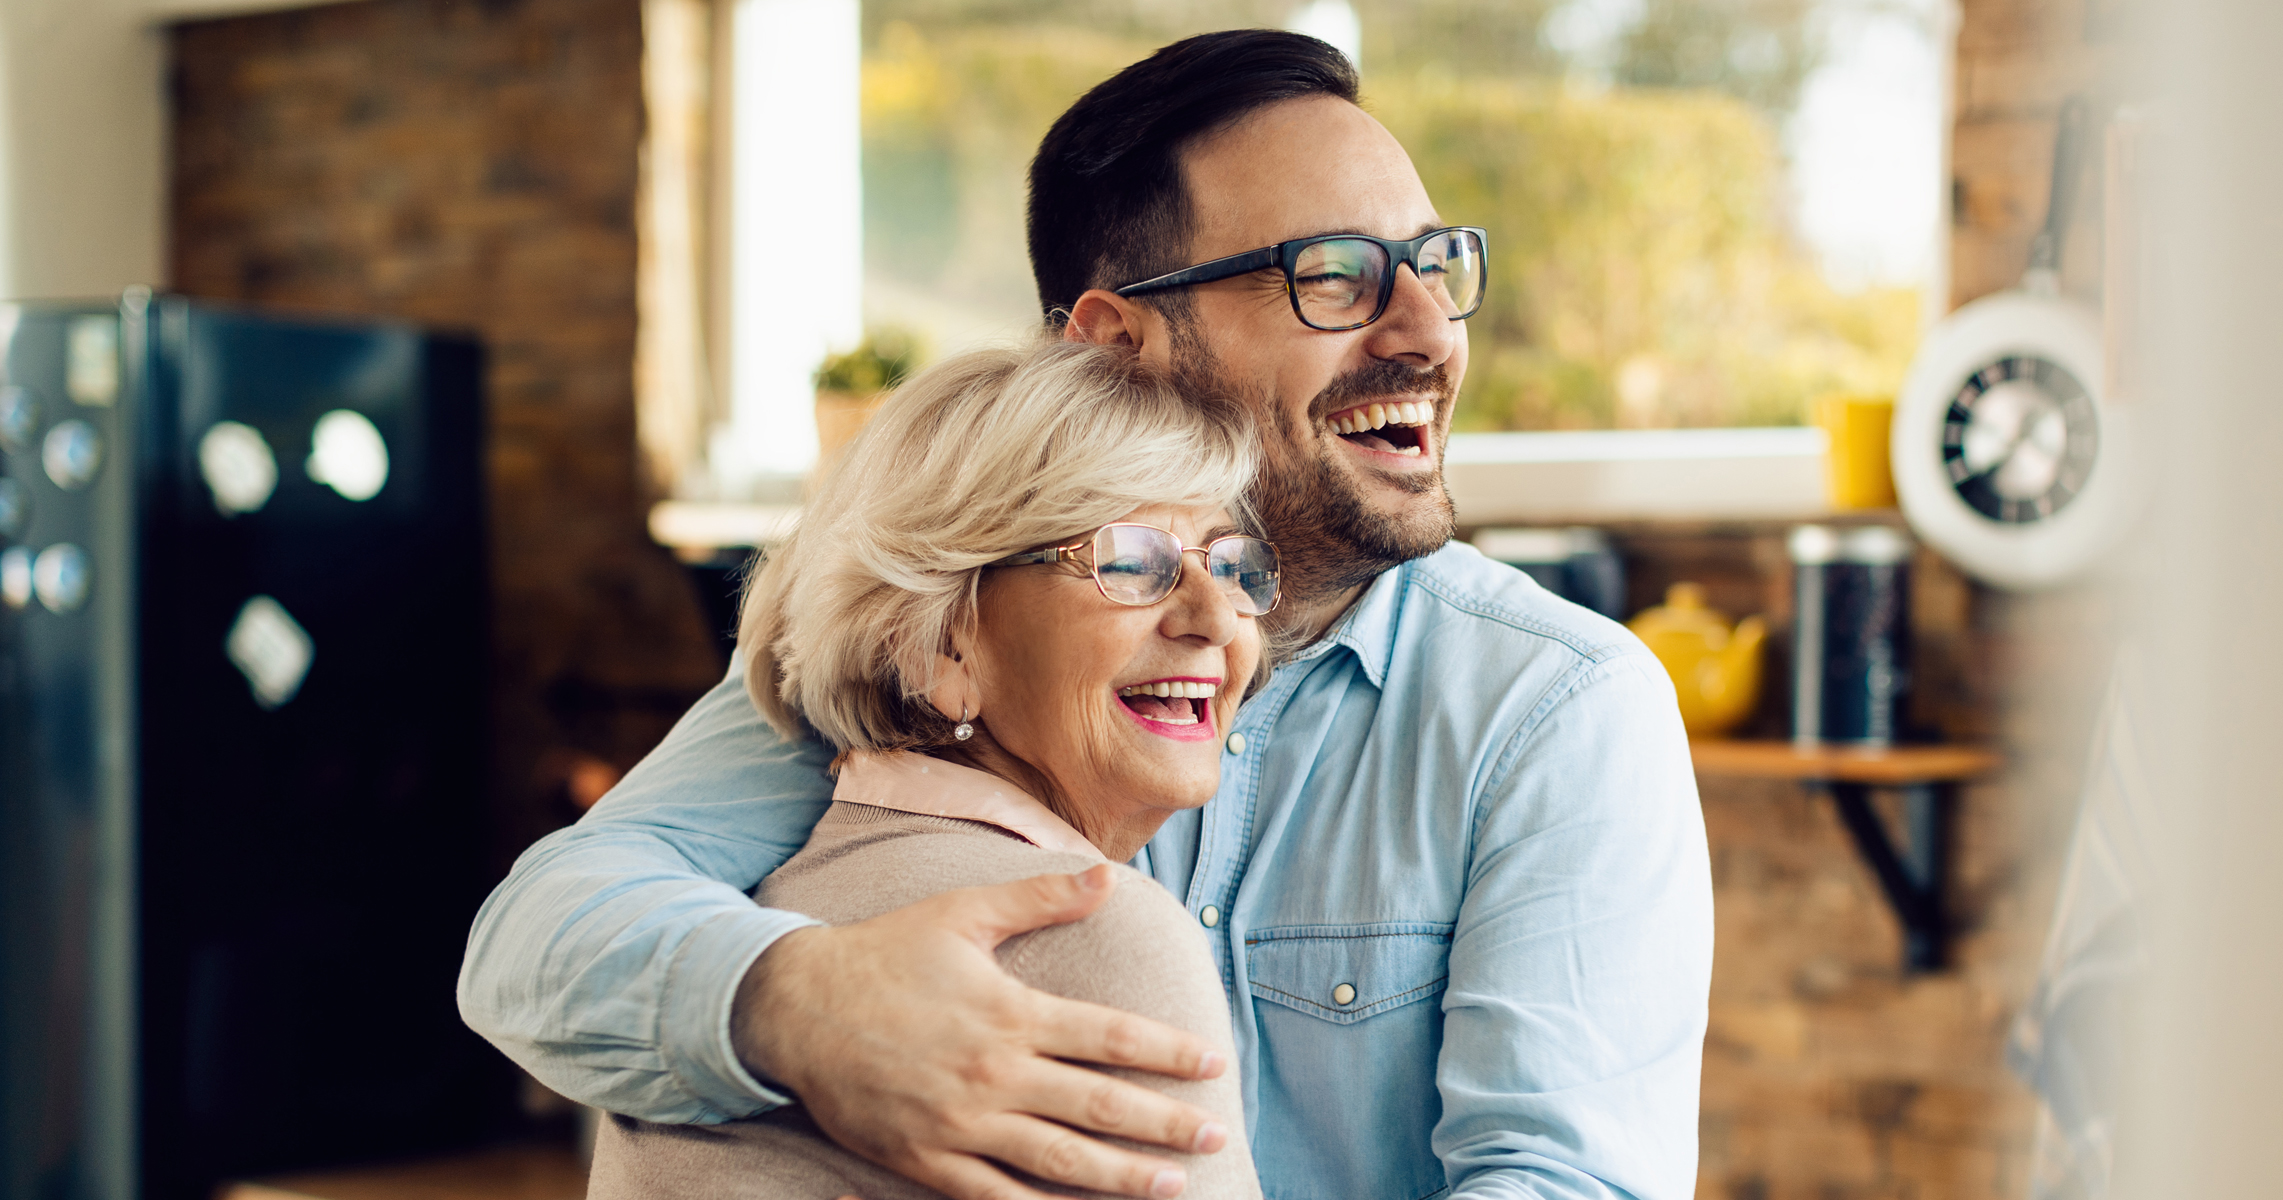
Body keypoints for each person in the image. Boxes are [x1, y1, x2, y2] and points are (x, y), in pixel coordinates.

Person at [459, 29, 1713, 1200]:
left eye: (1439, 267)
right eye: (1333, 277)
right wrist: (797, 1006)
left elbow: (1565, 1181)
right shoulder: (933, 646)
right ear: (1116, 344)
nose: (1431, 331)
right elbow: (534, 939)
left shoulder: (1554, 707)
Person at [588, 340, 1271, 1200]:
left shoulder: (744, 915)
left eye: (1231, 563)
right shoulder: (1097, 936)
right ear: (936, 645)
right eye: (1131, 562)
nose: (1216, 616)